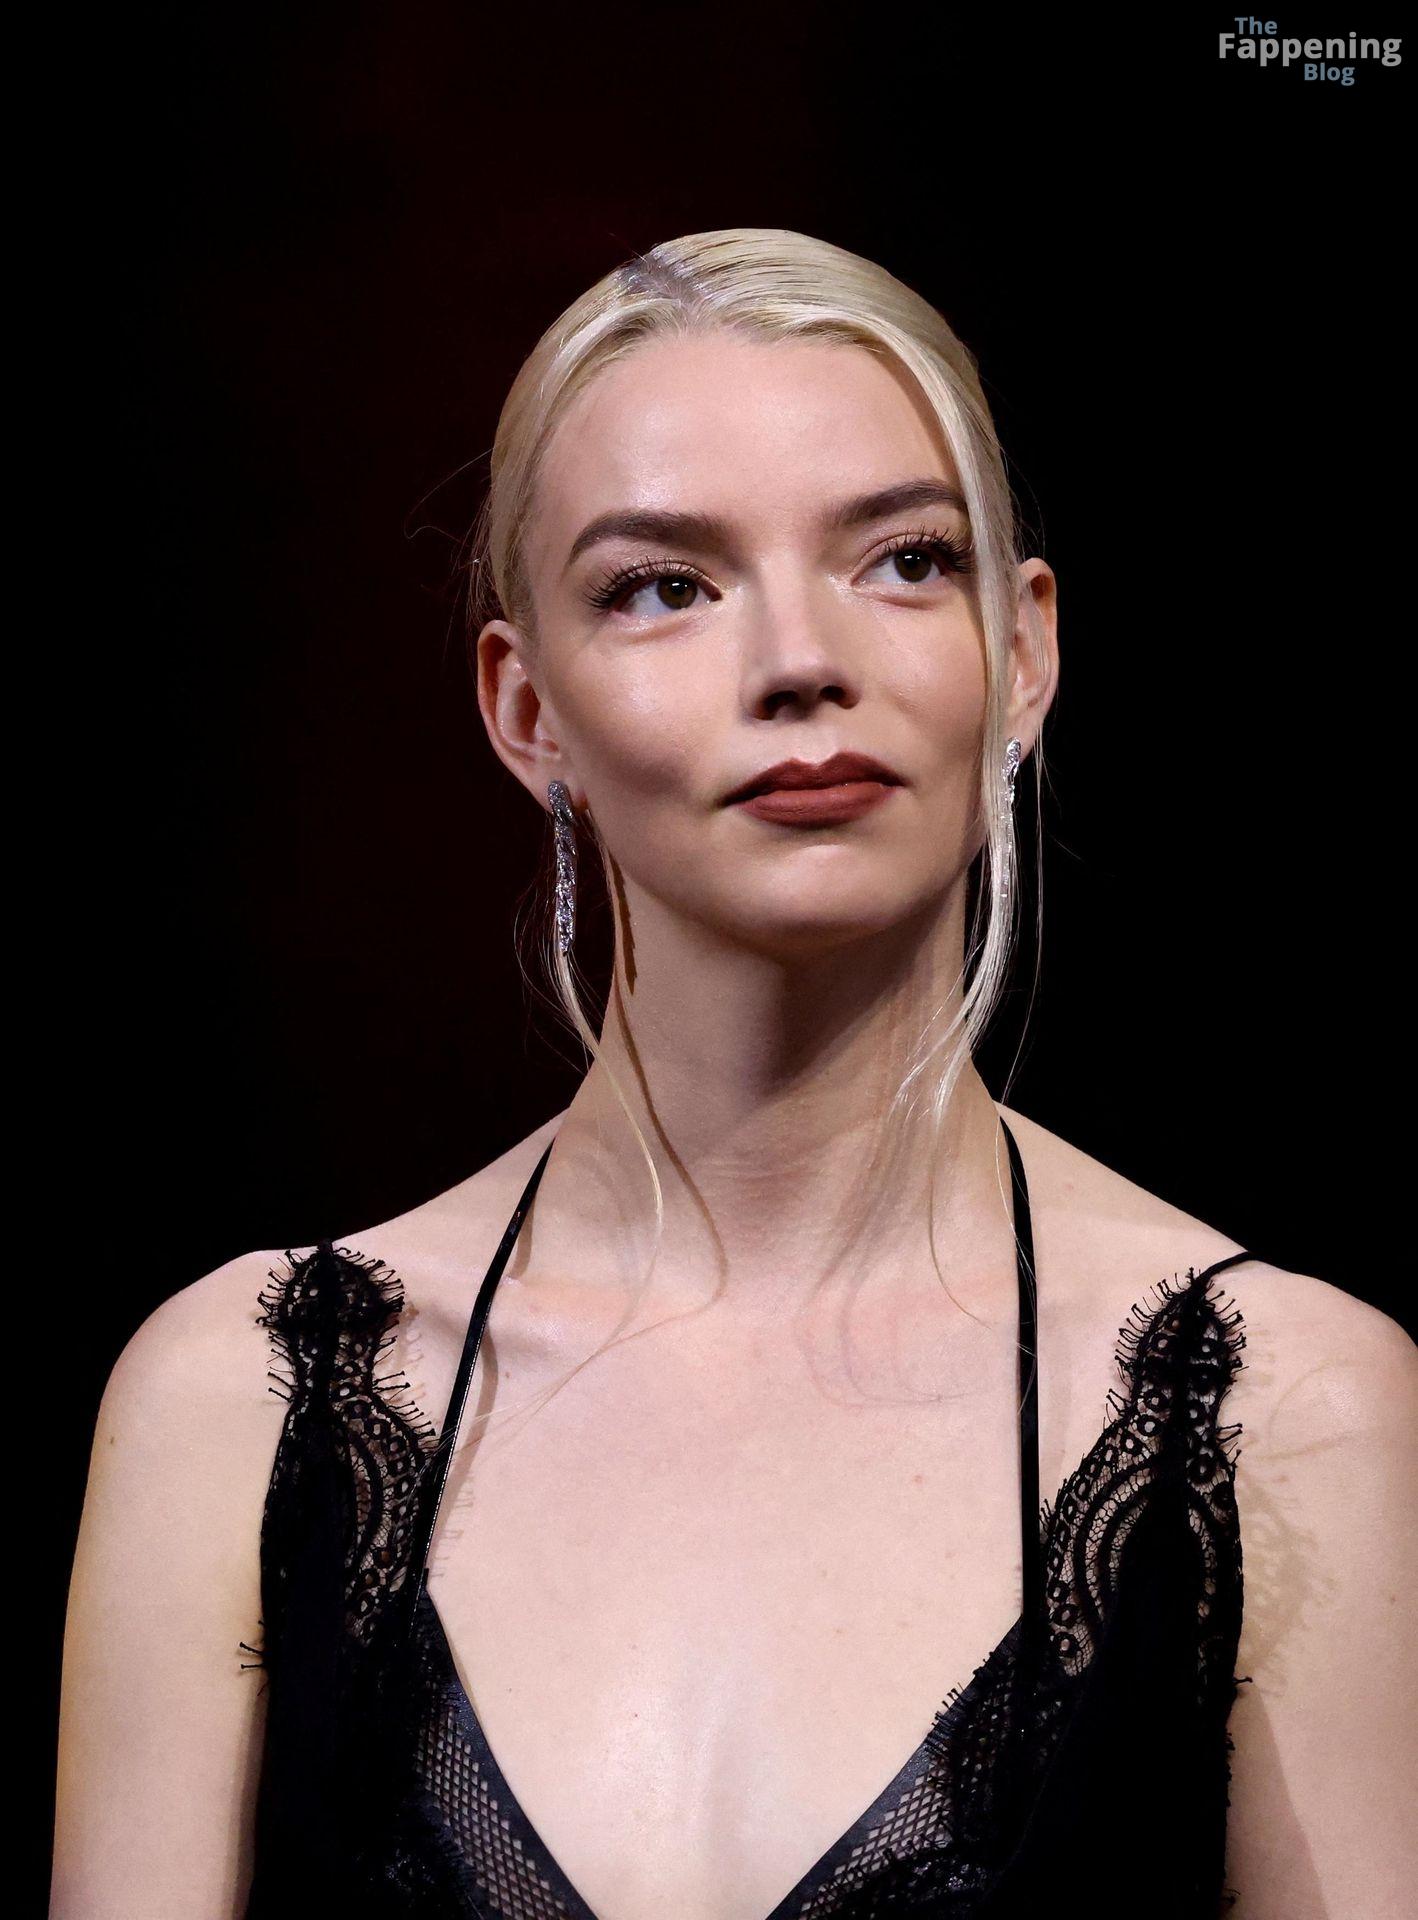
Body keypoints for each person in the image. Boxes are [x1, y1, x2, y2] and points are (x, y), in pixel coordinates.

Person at [53, 229, 1416, 1920]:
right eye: (660, 586)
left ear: (1023, 653)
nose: (797, 660)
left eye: (903, 560)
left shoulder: (1286, 1409)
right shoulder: (239, 1405)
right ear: (525, 709)